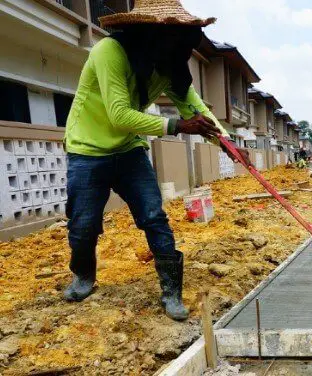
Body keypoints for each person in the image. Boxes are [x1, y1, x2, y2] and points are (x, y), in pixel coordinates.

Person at [62, 0, 250, 321]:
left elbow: (196, 112)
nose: (182, 50)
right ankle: (84, 276)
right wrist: (177, 126)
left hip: (129, 150)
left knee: (153, 216)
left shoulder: (168, 65)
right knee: (83, 225)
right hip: (87, 150)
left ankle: (171, 291)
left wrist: (227, 143)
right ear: (150, 34)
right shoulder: (109, 53)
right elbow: (119, 115)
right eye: (175, 40)